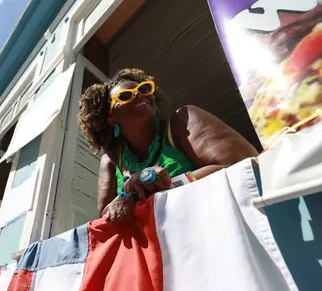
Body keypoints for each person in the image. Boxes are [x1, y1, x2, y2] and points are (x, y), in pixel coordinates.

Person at [78, 68, 258, 224]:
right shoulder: (110, 160)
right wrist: (129, 190)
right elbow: (105, 217)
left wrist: (160, 186)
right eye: (125, 96)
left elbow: (242, 164)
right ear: (110, 119)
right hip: (160, 253)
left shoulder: (183, 120)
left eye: (145, 89)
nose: (140, 94)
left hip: (216, 226)